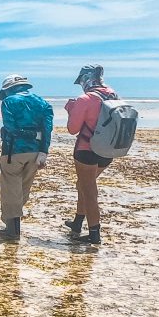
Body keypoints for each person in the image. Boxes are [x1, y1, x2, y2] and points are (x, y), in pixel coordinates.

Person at [0, 74, 54, 242]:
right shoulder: (43, 103)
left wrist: (28, 134)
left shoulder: (9, 102)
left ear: (8, 89)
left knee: (10, 189)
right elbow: (48, 129)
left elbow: (10, 127)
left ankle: (12, 231)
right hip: (36, 152)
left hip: (13, 151)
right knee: (23, 189)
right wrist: (44, 151)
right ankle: (13, 226)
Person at [65, 64, 117, 244]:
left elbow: (72, 129)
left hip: (87, 150)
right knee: (84, 185)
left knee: (88, 190)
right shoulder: (112, 94)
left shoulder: (84, 100)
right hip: (108, 150)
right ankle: (78, 222)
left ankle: (94, 233)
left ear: (85, 80)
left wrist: (71, 109)